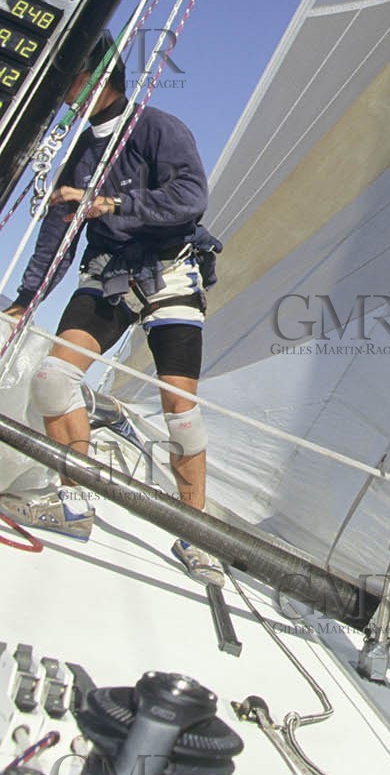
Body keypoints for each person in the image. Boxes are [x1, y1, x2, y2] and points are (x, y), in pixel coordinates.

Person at [0, 35, 224, 584]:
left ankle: (196, 535)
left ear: (97, 80)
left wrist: (117, 202)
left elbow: (192, 197)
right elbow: (55, 238)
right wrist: (26, 302)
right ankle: (74, 504)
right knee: (54, 380)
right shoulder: (77, 154)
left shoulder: (157, 128)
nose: (65, 90)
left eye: (71, 78)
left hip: (170, 272)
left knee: (180, 409)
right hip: (108, 275)